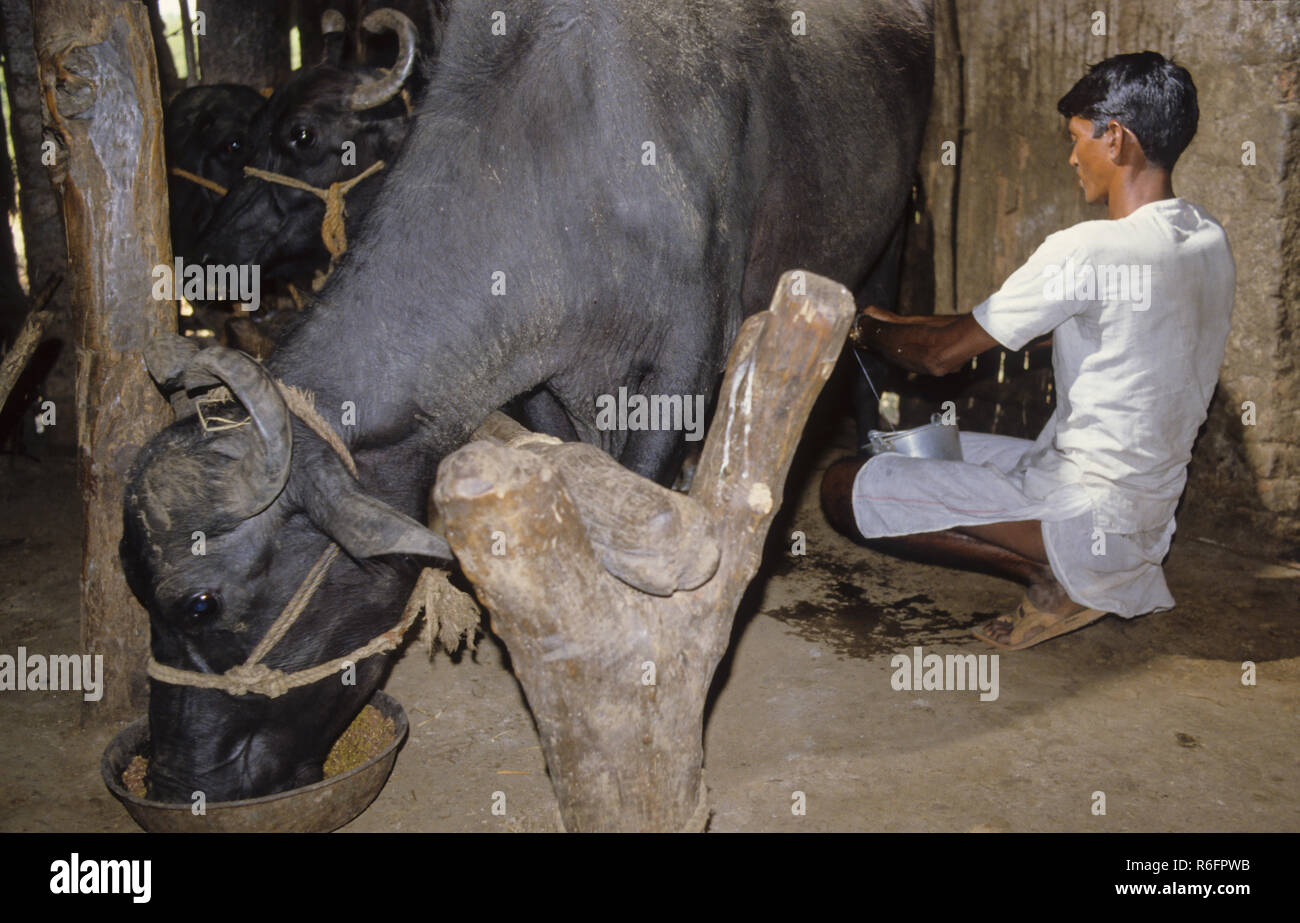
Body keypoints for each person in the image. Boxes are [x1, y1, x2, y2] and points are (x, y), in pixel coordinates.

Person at [820, 51, 1235, 650]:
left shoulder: (1090, 249)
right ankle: (1086, 566)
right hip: (1141, 517)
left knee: (843, 485)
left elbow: (941, 356)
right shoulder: (1206, 238)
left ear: (1115, 139)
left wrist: (864, 330)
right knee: (922, 444)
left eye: (1077, 139)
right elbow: (1012, 327)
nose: (1072, 158)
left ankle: (1052, 578)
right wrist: (903, 319)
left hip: (1085, 512)